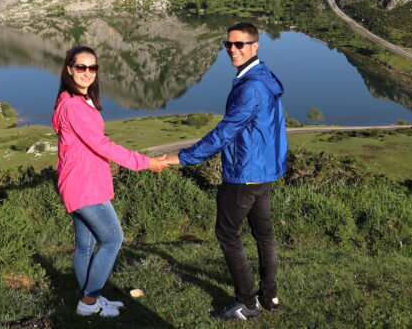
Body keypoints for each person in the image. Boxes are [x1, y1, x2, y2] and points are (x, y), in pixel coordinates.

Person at [164, 22, 287, 321]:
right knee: (264, 233)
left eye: (240, 44)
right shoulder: (262, 76)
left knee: (228, 234)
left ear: (255, 46)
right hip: (264, 169)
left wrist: (183, 157)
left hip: (245, 170)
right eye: (228, 45)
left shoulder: (251, 86)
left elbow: (225, 132)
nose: (232, 49)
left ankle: (247, 302)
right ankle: (269, 296)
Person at [52, 45, 169, 319]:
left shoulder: (74, 100)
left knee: (85, 245)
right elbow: (102, 145)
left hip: (78, 182)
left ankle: (87, 301)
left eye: (92, 67)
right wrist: (146, 162)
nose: (87, 73)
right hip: (85, 186)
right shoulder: (73, 106)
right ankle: (90, 299)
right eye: (81, 67)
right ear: (69, 68)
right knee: (113, 239)